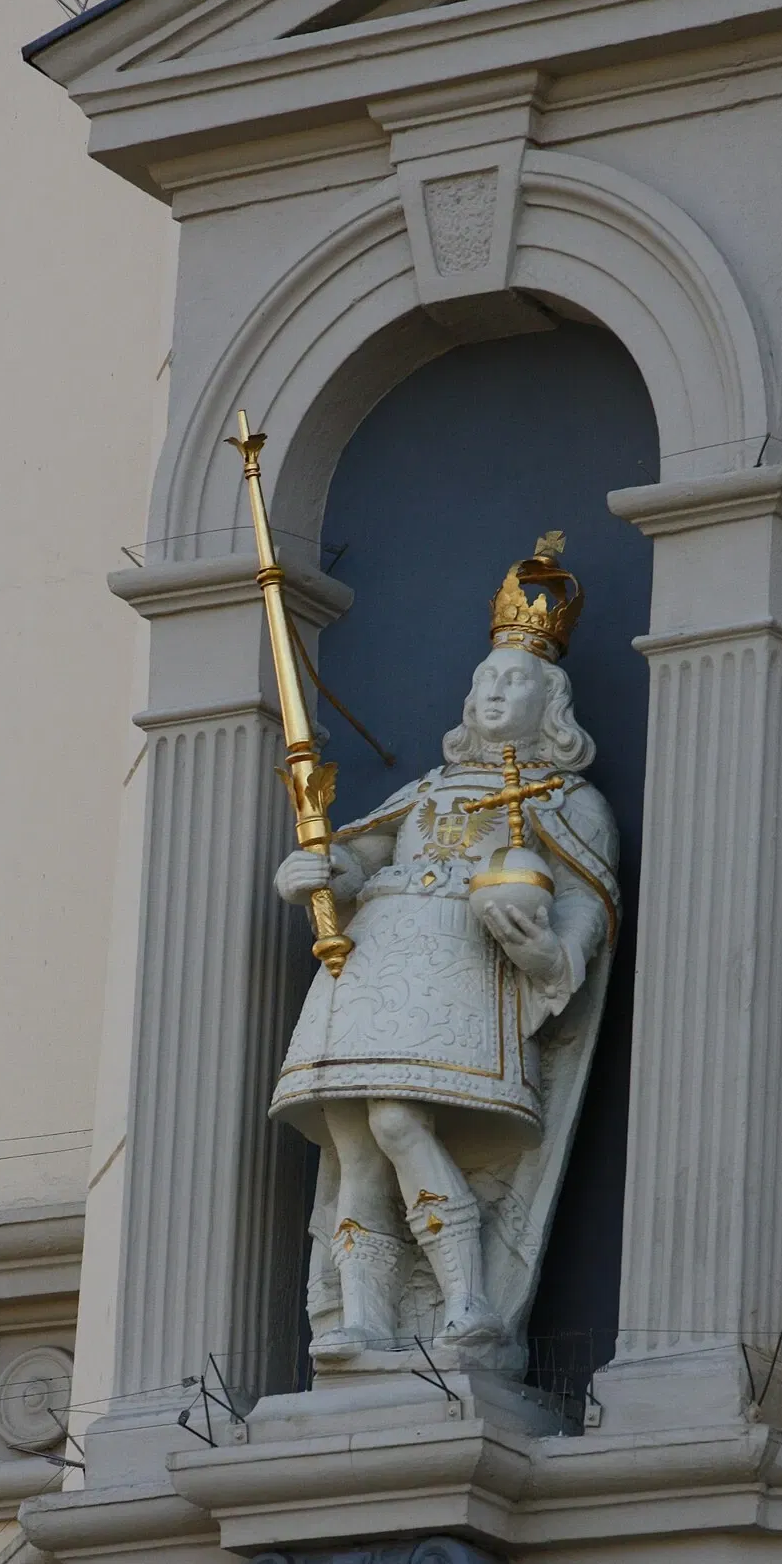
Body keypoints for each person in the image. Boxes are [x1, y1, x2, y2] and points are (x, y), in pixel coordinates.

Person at [271, 536, 618, 1367]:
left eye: (516, 680)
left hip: (460, 977)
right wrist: (321, 867)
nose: (496, 690)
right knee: (354, 1141)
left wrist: (545, 953)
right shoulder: (427, 787)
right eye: (486, 679)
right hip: (375, 962)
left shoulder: (569, 799)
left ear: (550, 702)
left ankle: (468, 1298)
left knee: (395, 1119)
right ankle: (361, 1316)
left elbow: (584, 904)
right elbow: (367, 853)